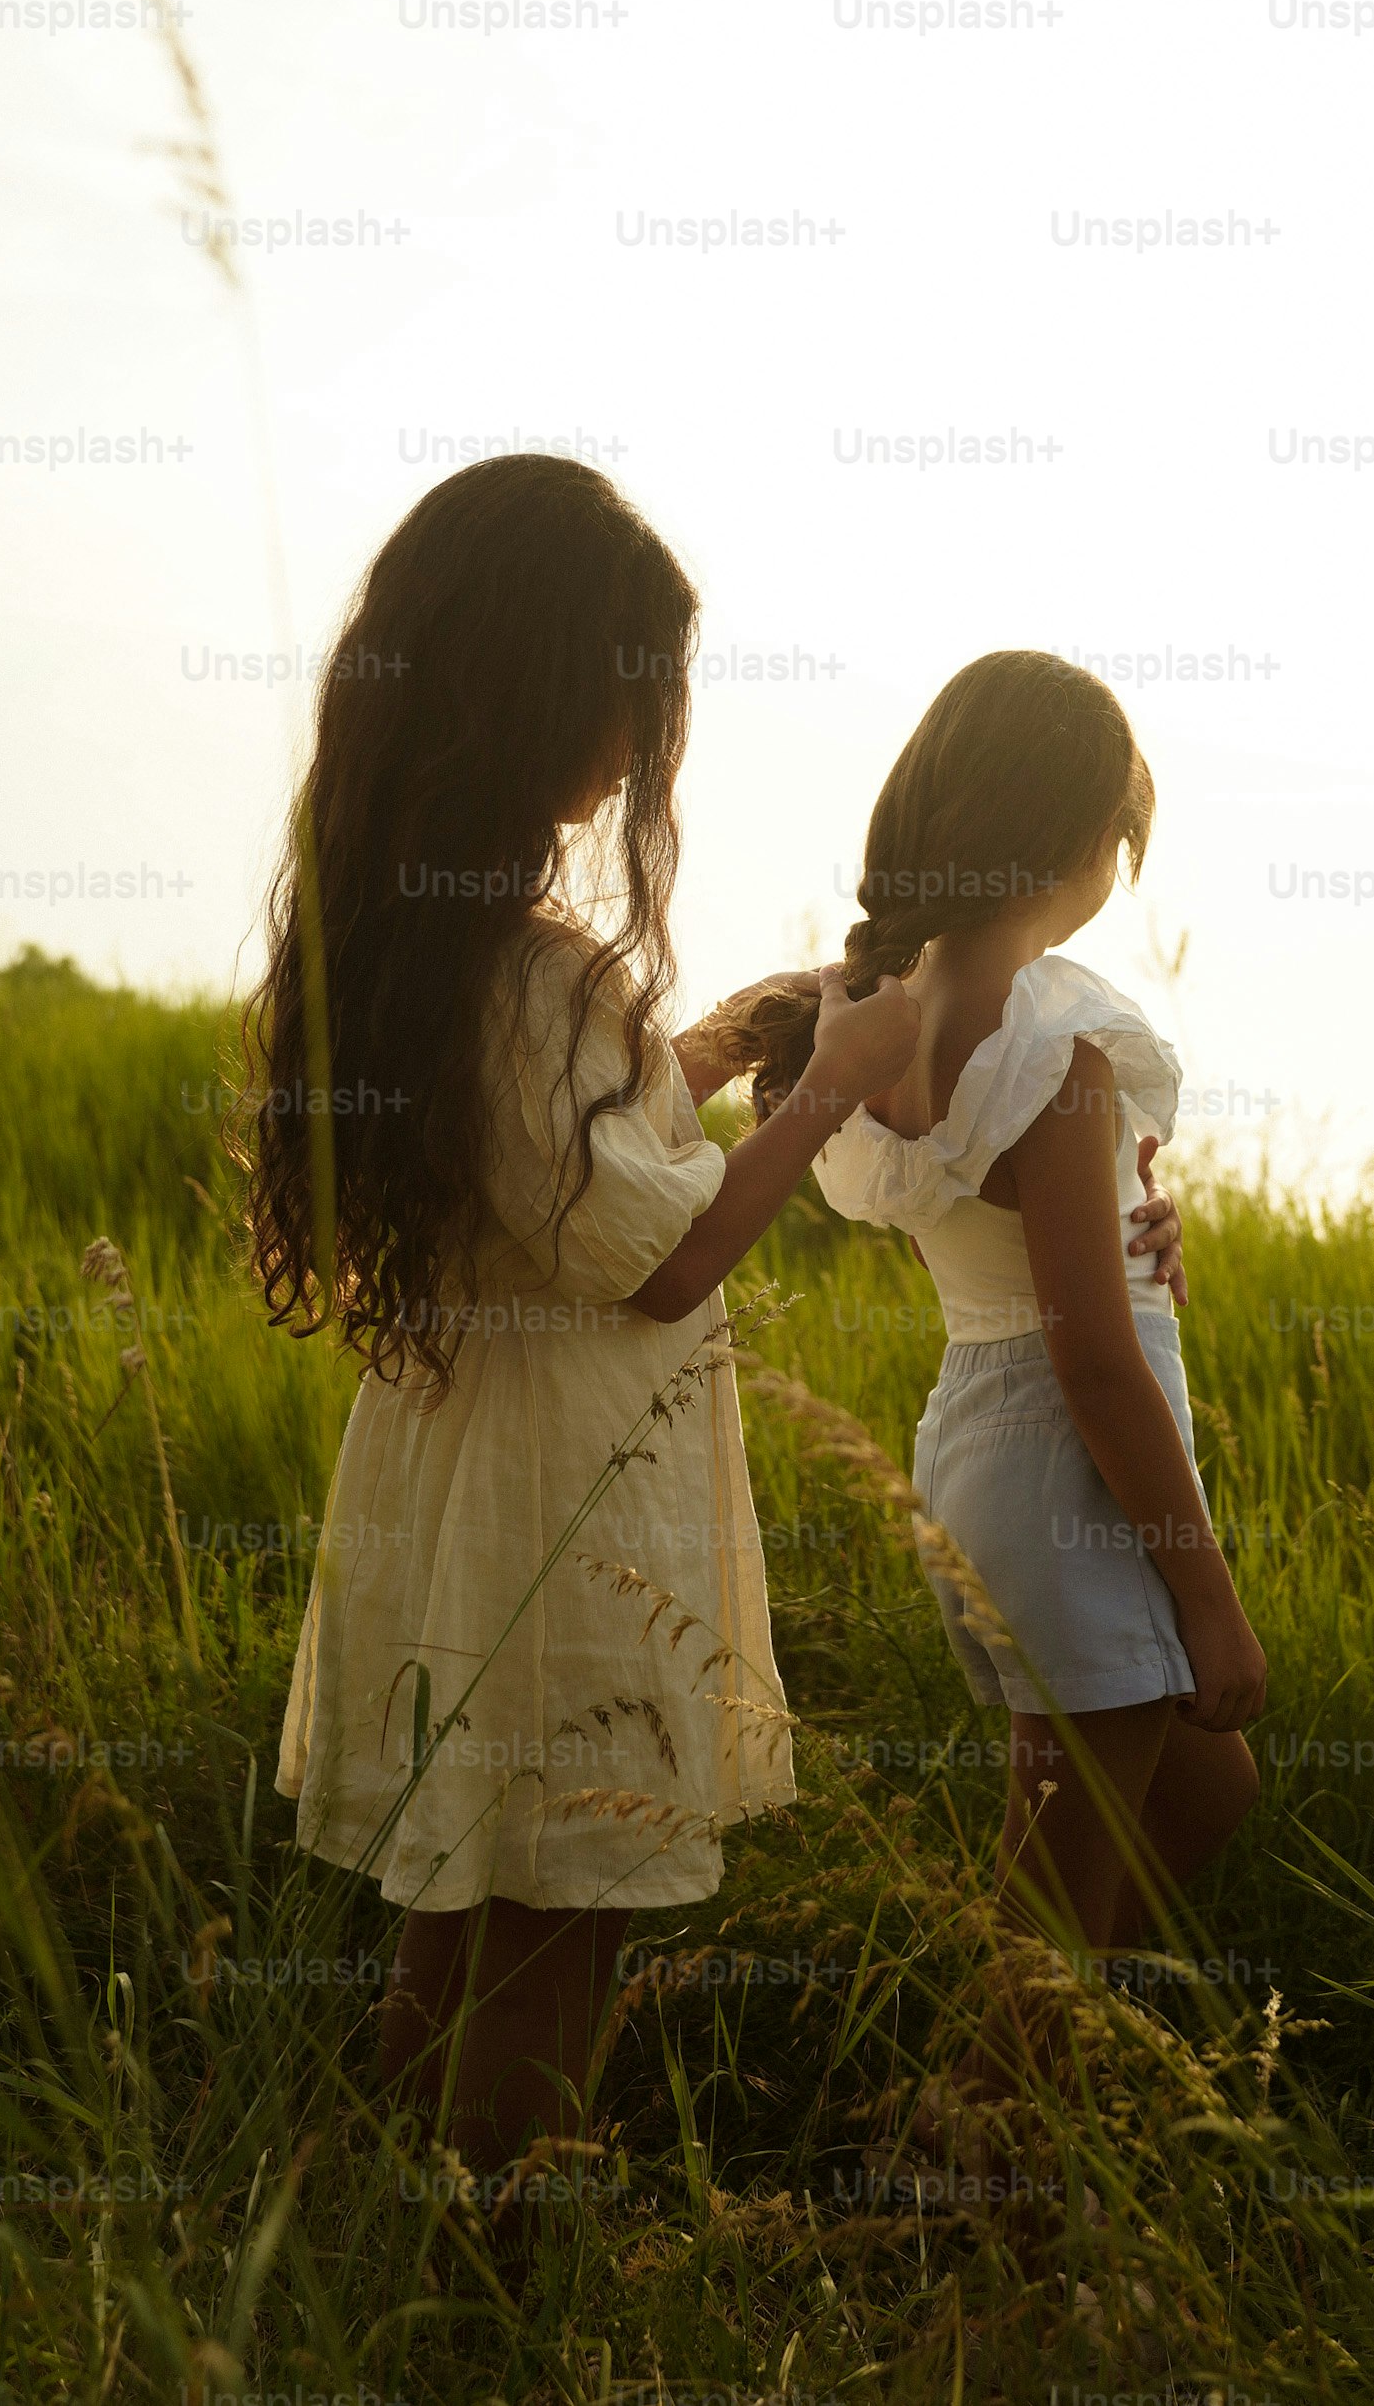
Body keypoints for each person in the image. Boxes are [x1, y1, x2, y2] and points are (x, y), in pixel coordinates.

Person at [246, 454, 920, 2187]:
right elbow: (660, 1261)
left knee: (470, 1901)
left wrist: (714, 1045)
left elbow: (550, 1163)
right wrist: (825, 1087)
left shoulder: (429, 929)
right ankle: (502, 2256)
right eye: (625, 692)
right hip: (566, 1492)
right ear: (531, 683)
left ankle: (421, 2233)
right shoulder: (531, 963)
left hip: (476, 1463)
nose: (638, 740)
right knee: (559, 1914)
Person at [720, 651, 1264, 2111]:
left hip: (979, 1443)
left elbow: (1031, 1254)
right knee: (1048, 1932)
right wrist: (1208, 1594)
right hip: (1068, 1470)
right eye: (1119, 844)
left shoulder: (888, 1016)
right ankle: (984, 2156)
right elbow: (1093, 1358)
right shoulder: (1056, 1048)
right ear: (1076, 839)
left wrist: (1130, 1219)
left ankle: (1056, 2076)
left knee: (1204, 1788)